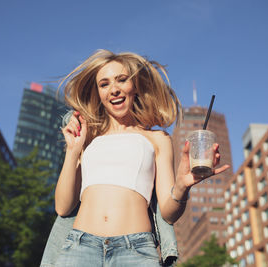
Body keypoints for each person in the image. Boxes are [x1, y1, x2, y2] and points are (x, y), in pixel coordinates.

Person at [49, 49, 229, 267]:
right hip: (79, 248)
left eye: (122, 80)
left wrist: (182, 186)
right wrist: (73, 150)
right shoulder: (87, 138)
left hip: (135, 252)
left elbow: (169, 214)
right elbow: (63, 207)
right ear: (98, 94)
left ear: (134, 87)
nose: (114, 89)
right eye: (104, 84)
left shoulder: (157, 139)